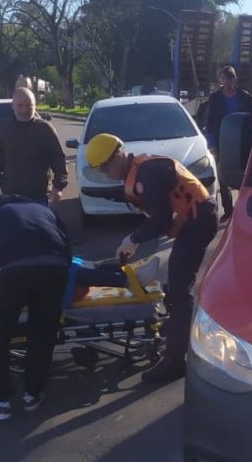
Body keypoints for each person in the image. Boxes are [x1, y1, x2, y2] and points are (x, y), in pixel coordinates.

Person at [84, 133, 218, 385]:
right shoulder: (139, 171)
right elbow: (157, 215)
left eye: (106, 166)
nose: (106, 173)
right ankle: (176, 328)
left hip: (198, 221)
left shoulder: (148, 174)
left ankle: (175, 361)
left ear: (119, 154)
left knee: (180, 288)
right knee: (176, 281)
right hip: (192, 220)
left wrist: (134, 239)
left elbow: (161, 219)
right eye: (100, 170)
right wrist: (133, 240)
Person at [0, 196, 71, 420]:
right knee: (42, 333)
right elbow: (66, 245)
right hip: (55, 268)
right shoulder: (45, 211)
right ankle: (32, 394)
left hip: (12, 272)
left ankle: (1, 402)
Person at [0, 87, 67, 205]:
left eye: (29, 105)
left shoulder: (45, 129)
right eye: (20, 105)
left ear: (35, 105)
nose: (24, 109)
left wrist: (58, 187)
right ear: (13, 106)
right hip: (10, 195)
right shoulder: (5, 129)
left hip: (38, 195)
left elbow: (58, 159)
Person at [204, 66, 252, 222]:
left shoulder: (245, 97)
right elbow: (209, 123)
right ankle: (228, 210)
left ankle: (243, 207)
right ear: (220, 80)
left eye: (229, 78)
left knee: (244, 175)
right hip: (222, 141)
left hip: (243, 142)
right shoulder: (215, 98)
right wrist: (212, 144)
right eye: (223, 78)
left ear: (235, 79)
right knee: (222, 176)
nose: (227, 82)